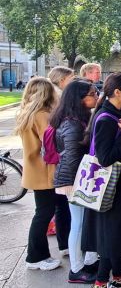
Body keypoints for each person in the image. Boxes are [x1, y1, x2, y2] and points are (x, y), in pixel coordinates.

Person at [83, 73, 121, 288]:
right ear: (117, 92)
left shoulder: (118, 111)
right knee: (112, 239)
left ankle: (118, 277)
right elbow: (105, 157)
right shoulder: (106, 118)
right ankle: (101, 282)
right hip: (113, 190)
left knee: (118, 236)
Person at [15, 77, 70, 271]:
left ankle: (59, 246)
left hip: (37, 168)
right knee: (44, 213)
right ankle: (36, 256)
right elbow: (53, 141)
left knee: (51, 210)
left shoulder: (29, 112)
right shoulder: (41, 115)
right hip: (44, 170)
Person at [51, 80, 99, 283]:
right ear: (79, 99)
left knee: (84, 222)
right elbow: (71, 157)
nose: (96, 97)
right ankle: (76, 269)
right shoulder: (71, 123)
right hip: (74, 180)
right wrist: (80, 184)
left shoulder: (77, 118)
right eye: (92, 94)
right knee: (78, 224)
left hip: (78, 178)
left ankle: (89, 259)